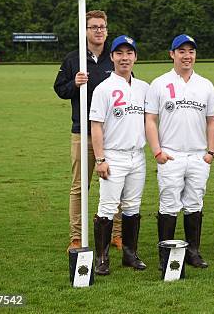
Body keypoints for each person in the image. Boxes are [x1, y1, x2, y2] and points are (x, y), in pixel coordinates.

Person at [145, 34, 214, 269]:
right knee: (168, 204)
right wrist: (157, 152)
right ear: (172, 54)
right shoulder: (159, 83)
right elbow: (150, 120)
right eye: (182, 51)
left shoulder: (205, 84)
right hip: (171, 154)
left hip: (198, 155)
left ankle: (192, 252)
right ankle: (165, 254)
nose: (187, 56)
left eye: (191, 51)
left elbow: (212, 121)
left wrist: (210, 152)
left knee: (194, 203)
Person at [53, 10, 123, 252]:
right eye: (93, 27)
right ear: (85, 30)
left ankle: (117, 233)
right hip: (82, 132)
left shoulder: (114, 58)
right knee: (80, 187)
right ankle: (76, 236)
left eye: (102, 26)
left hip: (112, 134)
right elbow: (59, 89)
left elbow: (128, 86)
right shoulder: (74, 59)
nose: (98, 31)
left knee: (116, 184)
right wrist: (74, 83)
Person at [89, 35, 149, 275]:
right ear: (112, 57)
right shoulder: (104, 88)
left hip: (138, 155)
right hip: (113, 156)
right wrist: (100, 159)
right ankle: (102, 258)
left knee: (133, 206)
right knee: (107, 207)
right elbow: (96, 126)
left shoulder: (144, 87)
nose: (125, 58)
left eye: (129, 53)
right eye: (120, 53)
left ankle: (129, 254)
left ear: (135, 56)